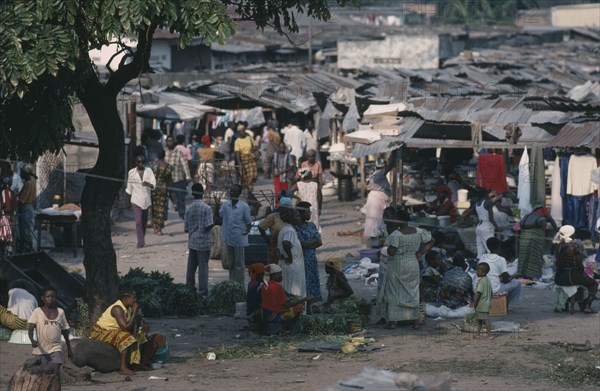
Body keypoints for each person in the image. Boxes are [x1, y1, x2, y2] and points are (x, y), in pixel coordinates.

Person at [377, 208, 434, 330]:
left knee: (394, 292)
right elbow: (431, 241)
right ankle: (415, 322)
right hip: (413, 264)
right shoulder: (419, 231)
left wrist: (384, 250)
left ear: (399, 220)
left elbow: (392, 252)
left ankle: (393, 322)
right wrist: (420, 253)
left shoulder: (396, 235)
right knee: (413, 292)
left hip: (397, 265)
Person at [91, 290, 167, 375]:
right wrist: (134, 313)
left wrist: (142, 325)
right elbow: (125, 328)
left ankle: (139, 363)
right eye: (133, 298)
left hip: (116, 331)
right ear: (126, 298)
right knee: (126, 337)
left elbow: (134, 325)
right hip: (102, 332)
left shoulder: (128, 309)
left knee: (148, 336)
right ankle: (123, 368)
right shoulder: (117, 308)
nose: (135, 300)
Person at [28, 286, 72, 391]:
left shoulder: (60, 312)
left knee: (56, 372)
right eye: (48, 296)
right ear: (42, 298)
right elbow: (30, 329)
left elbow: (65, 331)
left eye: (53, 297)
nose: (50, 299)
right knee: (43, 374)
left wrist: (69, 348)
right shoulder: (37, 312)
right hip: (41, 349)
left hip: (55, 348)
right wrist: (32, 340)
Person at [554, 225, 598, 314]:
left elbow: (557, 263)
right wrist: (583, 273)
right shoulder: (575, 246)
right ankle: (587, 306)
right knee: (593, 283)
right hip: (571, 276)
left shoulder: (558, 246)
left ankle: (574, 305)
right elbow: (579, 265)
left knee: (584, 280)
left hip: (558, 277)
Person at [184, 183, 215, 297]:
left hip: (192, 242)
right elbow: (208, 226)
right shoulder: (207, 208)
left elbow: (186, 229)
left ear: (192, 194)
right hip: (203, 242)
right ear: (202, 193)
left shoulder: (189, 209)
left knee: (191, 268)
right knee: (203, 268)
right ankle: (203, 292)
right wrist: (215, 220)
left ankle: (189, 290)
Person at [473, 237, 522, 306]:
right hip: (491, 290)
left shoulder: (482, 257)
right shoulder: (501, 259)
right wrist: (512, 277)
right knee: (517, 283)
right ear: (499, 247)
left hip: (476, 289)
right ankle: (504, 304)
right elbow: (505, 280)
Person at [260, 264, 312, 329]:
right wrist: (303, 299)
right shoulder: (277, 287)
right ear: (274, 275)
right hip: (274, 316)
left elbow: (286, 294)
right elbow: (286, 305)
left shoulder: (264, 285)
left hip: (265, 314)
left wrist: (297, 297)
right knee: (299, 307)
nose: (281, 277)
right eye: (280, 274)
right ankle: (289, 327)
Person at [219, 184, 252, 284]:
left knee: (239, 265)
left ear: (239, 193)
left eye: (234, 191)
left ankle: (239, 285)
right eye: (231, 191)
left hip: (239, 239)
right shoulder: (225, 205)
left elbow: (248, 222)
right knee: (231, 264)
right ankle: (231, 283)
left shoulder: (244, 207)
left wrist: (247, 231)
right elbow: (220, 215)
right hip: (228, 239)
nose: (232, 193)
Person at [517, 201, 558, 279]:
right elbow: (552, 221)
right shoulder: (543, 212)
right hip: (536, 236)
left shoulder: (528, 215)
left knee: (523, 255)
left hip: (524, 236)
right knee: (535, 254)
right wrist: (557, 231)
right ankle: (532, 274)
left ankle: (521, 273)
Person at [125, 155, 156, 248]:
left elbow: (154, 184)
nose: (141, 163)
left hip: (146, 200)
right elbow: (129, 188)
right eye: (139, 162)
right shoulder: (131, 172)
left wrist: (148, 184)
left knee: (144, 221)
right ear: (136, 163)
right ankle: (140, 241)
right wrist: (127, 202)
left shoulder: (149, 171)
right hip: (135, 200)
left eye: (143, 162)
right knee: (138, 221)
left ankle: (142, 236)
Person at [364, 152, 395, 240]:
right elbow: (390, 166)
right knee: (375, 222)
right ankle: (375, 242)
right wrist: (393, 153)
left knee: (377, 222)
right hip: (376, 200)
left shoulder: (376, 173)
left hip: (378, 199)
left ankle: (377, 240)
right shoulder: (378, 174)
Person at [295, 201, 323, 302]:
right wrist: (313, 241)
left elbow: (319, 242)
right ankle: (306, 303)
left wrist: (309, 243)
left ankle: (315, 301)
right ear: (300, 213)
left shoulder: (311, 225)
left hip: (311, 259)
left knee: (314, 279)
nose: (309, 214)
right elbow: (300, 245)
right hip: (302, 259)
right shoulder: (296, 228)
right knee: (304, 281)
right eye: (307, 212)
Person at [277, 206, 306, 297]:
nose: (300, 218)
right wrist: (290, 257)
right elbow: (286, 243)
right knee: (294, 291)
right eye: (297, 216)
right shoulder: (289, 230)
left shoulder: (286, 229)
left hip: (288, 264)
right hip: (291, 265)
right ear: (291, 218)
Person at [165, 135, 192, 220]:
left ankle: (182, 214)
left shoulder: (178, 152)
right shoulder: (164, 152)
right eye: (168, 141)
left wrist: (188, 176)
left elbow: (185, 164)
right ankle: (164, 215)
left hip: (178, 178)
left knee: (180, 197)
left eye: (171, 141)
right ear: (166, 142)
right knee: (165, 197)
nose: (170, 142)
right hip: (167, 179)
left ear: (174, 142)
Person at [467, 188, 499, 257]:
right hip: (486, 227)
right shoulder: (488, 202)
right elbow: (491, 218)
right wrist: (497, 227)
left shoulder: (477, 204)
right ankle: (491, 264)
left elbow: (467, 214)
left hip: (479, 226)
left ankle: (479, 263)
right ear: (486, 194)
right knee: (490, 248)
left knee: (480, 251)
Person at [258, 198, 288, 265]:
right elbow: (260, 227)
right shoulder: (273, 216)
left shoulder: (290, 217)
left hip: (287, 248)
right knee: (274, 269)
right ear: (280, 206)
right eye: (284, 206)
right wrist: (268, 241)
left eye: (288, 207)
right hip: (275, 247)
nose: (286, 209)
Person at [150, 149, 172, 236]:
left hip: (153, 188)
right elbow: (169, 179)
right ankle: (159, 229)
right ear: (164, 155)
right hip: (163, 189)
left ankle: (155, 227)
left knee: (154, 208)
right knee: (161, 209)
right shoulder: (167, 166)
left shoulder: (152, 165)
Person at [471, 263, 493, 340]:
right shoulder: (487, 280)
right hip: (486, 303)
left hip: (482, 304)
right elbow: (491, 292)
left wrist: (474, 302)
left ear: (483, 272)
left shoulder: (481, 282)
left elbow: (478, 293)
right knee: (480, 320)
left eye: (478, 271)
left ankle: (489, 335)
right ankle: (477, 334)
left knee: (486, 320)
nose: (477, 272)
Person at [18, 165, 37, 252]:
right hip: (30, 207)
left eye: (22, 172)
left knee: (26, 229)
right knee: (29, 228)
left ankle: (28, 249)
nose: (20, 174)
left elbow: (22, 200)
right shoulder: (33, 180)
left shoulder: (28, 183)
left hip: (26, 207)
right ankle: (29, 248)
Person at [234, 124, 258, 192]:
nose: (243, 132)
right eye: (241, 131)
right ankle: (248, 189)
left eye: (243, 130)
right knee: (244, 177)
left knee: (252, 176)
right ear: (239, 132)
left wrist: (254, 150)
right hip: (242, 159)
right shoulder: (237, 141)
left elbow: (255, 146)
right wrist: (239, 163)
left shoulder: (249, 138)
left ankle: (249, 188)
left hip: (250, 158)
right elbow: (237, 152)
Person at [1, 177, 17, 253]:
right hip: (13, 216)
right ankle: (12, 253)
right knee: (12, 235)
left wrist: (2, 209)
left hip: (7, 216)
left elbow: (7, 206)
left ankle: (6, 253)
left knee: (6, 235)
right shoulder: (13, 192)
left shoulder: (4, 192)